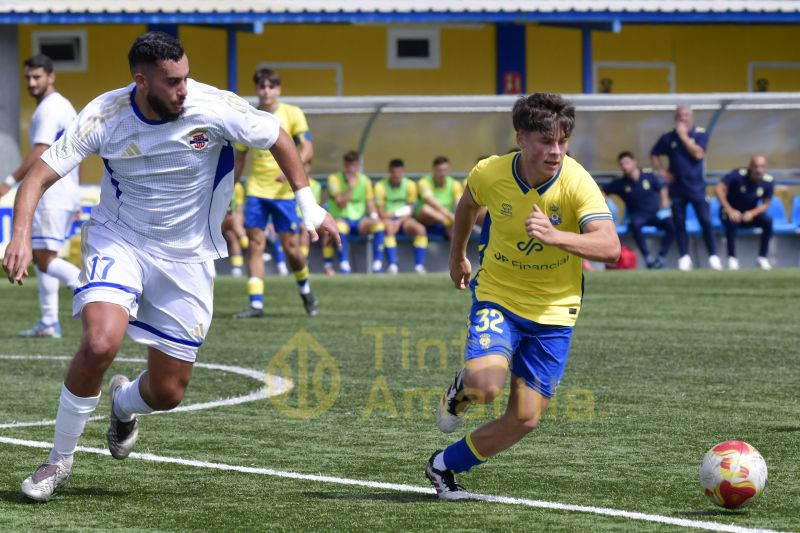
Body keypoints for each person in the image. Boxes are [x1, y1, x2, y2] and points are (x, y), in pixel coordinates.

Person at [2, 31, 339, 503]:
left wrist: (309, 204)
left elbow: (277, 136)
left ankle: (123, 404)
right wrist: (19, 235)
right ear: (141, 81)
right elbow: (39, 174)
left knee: (169, 391)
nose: (184, 89)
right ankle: (58, 461)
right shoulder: (106, 114)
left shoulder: (214, 106)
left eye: (185, 77)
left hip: (188, 255)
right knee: (100, 343)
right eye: (173, 82)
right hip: (119, 240)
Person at [425, 93, 619, 500]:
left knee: (526, 418)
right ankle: (464, 388)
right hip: (499, 297)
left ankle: (443, 466)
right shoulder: (490, 172)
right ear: (521, 138)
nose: (555, 151)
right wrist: (457, 254)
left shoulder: (576, 180)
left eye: (563, 141)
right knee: (486, 383)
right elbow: (468, 205)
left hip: (555, 313)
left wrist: (556, 236)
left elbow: (610, 247)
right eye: (546, 141)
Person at [0, 54, 82, 338]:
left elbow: (40, 152)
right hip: (64, 191)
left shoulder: (49, 108)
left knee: (45, 259)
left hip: (53, 192)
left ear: (51, 77)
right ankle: (49, 322)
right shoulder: (63, 106)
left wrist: (9, 182)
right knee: (43, 255)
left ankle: (89, 287)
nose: (31, 83)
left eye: (37, 77)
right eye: (28, 78)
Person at [233, 67, 318, 318]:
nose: (266, 91)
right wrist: (231, 188)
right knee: (256, 244)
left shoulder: (293, 114)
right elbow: (240, 157)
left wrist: (294, 169)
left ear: (278, 90)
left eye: (271, 86)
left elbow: (308, 147)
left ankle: (305, 288)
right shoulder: (248, 116)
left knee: (292, 248)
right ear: (257, 89)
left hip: (284, 193)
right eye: (262, 86)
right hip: (257, 192)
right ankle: (256, 304)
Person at [650, 105, 721, 271]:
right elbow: (654, 154)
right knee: (679, 223)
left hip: (697, 187)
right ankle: (684, 257)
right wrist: (662, 171)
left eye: (686, 115)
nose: (683, 118)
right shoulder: (668, 137)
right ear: (676, 118)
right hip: (677, 188)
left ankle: (713, 256)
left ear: (692, 117)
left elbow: (698, 154)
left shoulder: (700, 134)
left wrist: (683, 136)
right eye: (680, 115)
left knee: (706, 221)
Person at [604, 151, 674, 269]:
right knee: (635, 224)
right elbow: (602, 192)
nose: (624, 166)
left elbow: (662, 189)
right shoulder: (620, 183)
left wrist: (664, 204)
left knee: (672, 224)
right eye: (622, 164)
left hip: (655, 214)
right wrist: (607, 204)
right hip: (638, 216)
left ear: (634, 162)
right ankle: (648, 258)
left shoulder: (649, 176)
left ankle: (661, 257)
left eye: (627, 163)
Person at [322, 150, 385, 275]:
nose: (350, 169)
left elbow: (369, 202)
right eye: (348, 165)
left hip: (359, 221)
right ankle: (344, 265)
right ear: (344, 165)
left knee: (379, 225)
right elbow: (340, 205)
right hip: (341, 218)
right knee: (340, 228)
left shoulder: (365, 181)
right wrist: (350, 187)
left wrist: (374, 216)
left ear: (357, 166)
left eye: (353, 165)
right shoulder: (334, 179)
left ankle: (377, 265)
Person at [715, 154, 774, 270]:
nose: (758, 170)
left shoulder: (768, 181)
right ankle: (732, 258)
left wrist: (752, 213)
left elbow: (766, 204)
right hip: (730, 211)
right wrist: (730, 209)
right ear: (750, 167)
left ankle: (762, 257)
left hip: (749, 214)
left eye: (762, 167)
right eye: (756, 167)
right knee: (732, 220)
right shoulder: (738, 175)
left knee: (768, 221)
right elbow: (718, 188)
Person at [374, 159, 427, 274]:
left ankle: (419, 266)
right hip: (387, 219)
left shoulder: (410, 185)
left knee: (421, 229)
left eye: (399, 173)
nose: (397, 175)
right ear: (389, 172)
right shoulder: (380, 186)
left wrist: (398, 221)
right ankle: (393, 265)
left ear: (403, 172)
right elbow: (381, 213)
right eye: (394, 173)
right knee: (389, 228)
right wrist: (394, 216)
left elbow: (410, 210)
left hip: (404, 220)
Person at [415, 156, 464, 240]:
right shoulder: (423, 182)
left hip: (446, 221)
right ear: (434, 169)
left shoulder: (455, 184)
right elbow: (431, 202)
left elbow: (458, 203)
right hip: (426, 220)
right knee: (426, 209)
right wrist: (450, 217)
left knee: (456, 235)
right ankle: (448, 223)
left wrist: (460, 217)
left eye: (445, 170)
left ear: (449, 169)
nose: (442, 173)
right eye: (439, 170)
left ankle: (460, 252)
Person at [222, 179, 248, 276]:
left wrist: (237, 223)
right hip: (218, 220)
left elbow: (239, 209)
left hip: (231, 219)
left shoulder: (238, 188)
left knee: (232, 236)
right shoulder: (218, 185)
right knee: (234, 229)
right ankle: (248, 245)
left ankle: (237, 267)